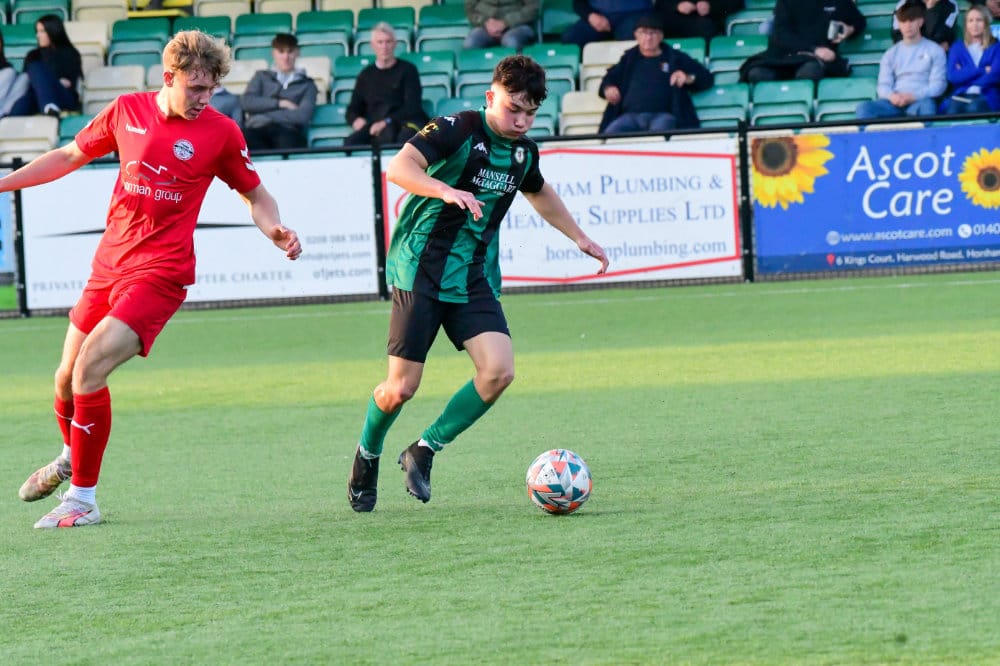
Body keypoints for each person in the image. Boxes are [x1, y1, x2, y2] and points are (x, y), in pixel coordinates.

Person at [10, 30, 302, 529]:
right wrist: (4, 182)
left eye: (211, 88)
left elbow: (256, 195)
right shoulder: (126, 110)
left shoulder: (221, 132)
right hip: (108, 265)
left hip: (161, 274)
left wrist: (274, 228)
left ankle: (82, 499)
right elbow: (69, 155)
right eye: (196, 88)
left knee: (89, 368)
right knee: (64, 377)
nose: (205, 98)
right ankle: (71, 456)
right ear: (169, 77)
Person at [347, 55, 609, 512]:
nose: (521, 121)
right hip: (420, 269)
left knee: (498, 371)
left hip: (472, 275)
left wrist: (579, 237)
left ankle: (423, 450)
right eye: (513, 109)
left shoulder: (524, 152)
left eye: (530, 113)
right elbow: (400, 168)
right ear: (491, 97)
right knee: (400, 389)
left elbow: (538, 190)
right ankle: (367, 454)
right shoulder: (459, 128)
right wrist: (444, 189)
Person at [598, 14, 713, 134]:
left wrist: (687, 78)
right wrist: (609, 88)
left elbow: (706, 78)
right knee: (609, 135)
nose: (648, 38)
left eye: (653, 33)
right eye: (643, 32)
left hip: (663, 116)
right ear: (636, 35)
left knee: (657, 136)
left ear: (661, 36)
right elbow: (608, 79)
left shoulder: (674, 57)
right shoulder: (628, 59)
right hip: (629, 116)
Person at [855, 1, 947, 120]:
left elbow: (938, 85)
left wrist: (913, 97)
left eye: (911, 21)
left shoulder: (935, 50)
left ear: (920, 22)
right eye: (903, 21)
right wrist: (892, 97)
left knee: (927, 106)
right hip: (893, 104)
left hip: (919, 101)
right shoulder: (890, 54)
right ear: (899, 24)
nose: (908, 25)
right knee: (864, 108)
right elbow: (883, 86)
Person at [739, 0, 866, 84]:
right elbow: (781, 35)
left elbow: (859, 21)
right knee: (757, 73)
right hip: (784, 56)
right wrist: (813, 50)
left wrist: (850, 29)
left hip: (815, 61)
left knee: (810, 72)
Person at [343, 22, 427, 147]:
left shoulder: (408, 70)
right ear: (372, 45)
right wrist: (355, 119)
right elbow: (352, 108)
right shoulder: (366, 75)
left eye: (388, 42)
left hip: (403, 124)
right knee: (350, 143)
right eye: (380, 42)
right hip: (374, 126)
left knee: (404, 139)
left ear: (395, 44)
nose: (384, 47)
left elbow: (412, 106)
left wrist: (386, 121)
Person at [240, 33, 317, 151]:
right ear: (274, 53)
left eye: (290, 51)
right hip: (256, 130)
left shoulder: (307, 84)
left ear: (297, 52)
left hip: (287, 131)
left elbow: (302, 116)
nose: (286, 57)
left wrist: (263, 114)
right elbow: (247, 102)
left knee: (289, 142)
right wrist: (280, 104)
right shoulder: (261, 76)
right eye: (281, 52)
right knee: (241, 141)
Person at [10, 14, 82, 117]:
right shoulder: (33, 55)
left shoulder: (70, 53)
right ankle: (8, 120)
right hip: (37, 95)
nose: (38, 35)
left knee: (35, 67)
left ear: (53, 31)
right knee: (24, 101)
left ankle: (50, 105)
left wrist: (51, 82)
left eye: (42, 31)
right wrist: (56, 81)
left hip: (63, 97)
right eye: (37, 31)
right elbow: (27, 81)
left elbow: (70, 83)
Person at [941, 3, 1000, 114]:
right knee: (952, 110)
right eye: (970, 21)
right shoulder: (957, 47)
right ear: (966, 24)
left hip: (986, 95)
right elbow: (953, 76)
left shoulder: (996, 47)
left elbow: (995, 75)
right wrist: (982, 70)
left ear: (986, 23)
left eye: (979, 20)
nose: (974, 24)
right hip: (961, 95)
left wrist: (965, 74)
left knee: (973, 108)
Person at [561, 0, 653, 49]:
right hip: (599, 16)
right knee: (571, 38)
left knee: (634, 37)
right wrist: (590, 16)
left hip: (634, 14)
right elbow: (578, 3)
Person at [653, 0, 745, 42]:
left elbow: (737, 2)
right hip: (675, 20)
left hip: (706, 23)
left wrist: (710, 6)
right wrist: (677, 6)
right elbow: (660, 4)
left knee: (706, 27)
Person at [464, 0, 540, 50]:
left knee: (510, 40)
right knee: (471, 42)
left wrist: (506, 22)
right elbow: (470, 7)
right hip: (486, 26)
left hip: (517, 25)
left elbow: (533, 8)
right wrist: (485, 21)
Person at [890, 0, 959, 51]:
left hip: (937, 57)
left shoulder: (950, 4)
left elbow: (942, 37)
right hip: (909, 56)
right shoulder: (904, 4)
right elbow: (898, 38)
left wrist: (931, 8)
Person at [0, 30, 29, 117]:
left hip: (4, 110)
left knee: (25, 77)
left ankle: (3, 114)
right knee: (9, 72)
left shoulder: (5, 65)